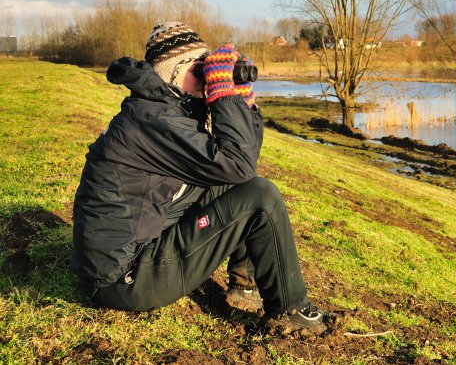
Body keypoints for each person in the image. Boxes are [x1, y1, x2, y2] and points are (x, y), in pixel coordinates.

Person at [71, 22, 333, 335]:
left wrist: (243, 102)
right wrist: (224, 96)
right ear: (171, 72)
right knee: (260, 197)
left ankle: (244, 287)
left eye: (209, 69)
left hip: (131, 254)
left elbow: (242, 164)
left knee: (240, 187)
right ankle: (291, 310)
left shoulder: (161, 110)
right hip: (123, 278)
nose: (206, 78)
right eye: (200, 69)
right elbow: (238, 163)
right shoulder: (152, 120)